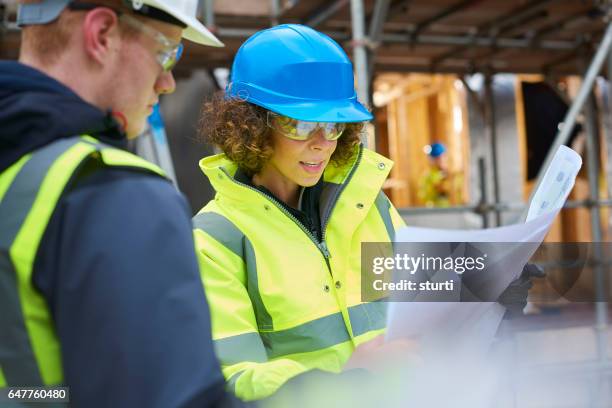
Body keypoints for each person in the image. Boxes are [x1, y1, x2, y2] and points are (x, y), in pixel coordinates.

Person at [0, 1, 238, 406]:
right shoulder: (113, 190)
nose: (168, 82)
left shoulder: (15, 163)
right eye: (166, 52)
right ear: (102, 35)